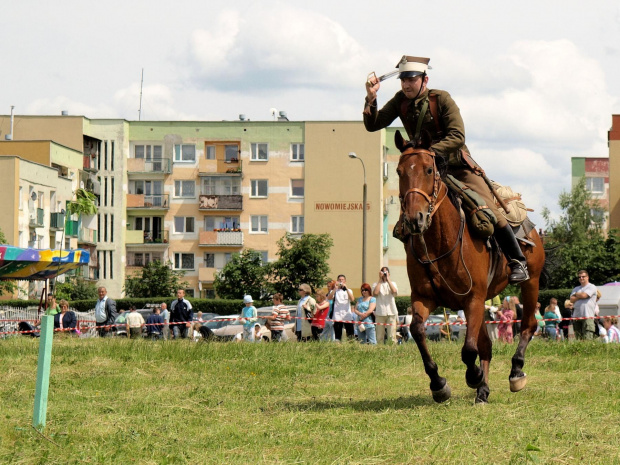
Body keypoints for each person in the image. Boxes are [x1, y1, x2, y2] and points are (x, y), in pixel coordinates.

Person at [364, 55, 529, 284]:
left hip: (457, 167)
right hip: (425, 172)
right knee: (409, 210)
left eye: (411, 79)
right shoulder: (400, 101)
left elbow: (458, 136)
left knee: (489, 209)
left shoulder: (440, 99)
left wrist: (429, 153)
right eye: (403, 80)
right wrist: (371, 98)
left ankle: (517, 261)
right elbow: (373, 125)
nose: (406, 84)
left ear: (424, 79)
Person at [372, 266, 398, 344]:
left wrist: (388, 279)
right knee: (379, 336)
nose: (384, 274)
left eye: (386, 272)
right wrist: (380, 280)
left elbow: (394, 291)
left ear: (389, 274)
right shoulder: (375, 284)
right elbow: (375, 293)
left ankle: (393, 350)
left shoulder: (393, 283)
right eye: (383, 272)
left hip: (391, 311)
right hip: (380, 312)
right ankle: (380, 349)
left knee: (392, 336)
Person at [570, 270, 597, 340]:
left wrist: (576, 294)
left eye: (583, 276)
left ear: (587, 277)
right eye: (579, 277)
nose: (581, 278)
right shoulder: (576, 288)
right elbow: (571, 299)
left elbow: (584, 295)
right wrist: (580, 295)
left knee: (588, 340)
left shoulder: (592, 287)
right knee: (578, 340)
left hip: (587, 316)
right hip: (576, 317)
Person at [327, 274, 355, 341]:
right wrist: (335, 288)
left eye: (342, 280)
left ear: (345, 281)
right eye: (339, 280)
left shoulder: (349, 290)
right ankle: (338, 344)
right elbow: (329, 298)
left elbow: (352, 299)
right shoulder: (334, 291)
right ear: (337, 281)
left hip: (347, 314)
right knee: (338, 333)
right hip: (337, 314)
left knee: (350, 333)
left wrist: (346, 289)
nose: (341, 281)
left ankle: (351, 344)